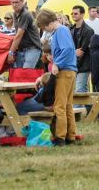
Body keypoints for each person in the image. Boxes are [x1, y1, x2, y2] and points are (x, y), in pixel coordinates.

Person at [35, 9, 78, 145]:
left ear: (47, 23)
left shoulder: (60, 31)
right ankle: (70, 136)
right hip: (69, 71)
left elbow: (67, 49)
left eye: (43, 27)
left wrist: (57, 63)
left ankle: (60, 137)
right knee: (67, 106)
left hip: (64, 72)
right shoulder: (62, 30)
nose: (44, 30)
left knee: (59, 106)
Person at [8, 0, 43, 69]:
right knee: (19, 74)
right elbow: (17, 34)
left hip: (32, 48)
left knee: (25, 73)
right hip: (22, 49)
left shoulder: (25, 14)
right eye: (12, 2)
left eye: (16, 2)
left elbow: (19, 35)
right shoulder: (15, 14)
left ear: (22, 1)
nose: (14, 5)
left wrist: (11, 52)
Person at [69, 5, 95, 93]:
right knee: (80, 90)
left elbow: (81, 52)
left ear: (82, 14)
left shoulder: (88, 31)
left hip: (84, 64)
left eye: (76, 13)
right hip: (72, 64)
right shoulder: (71, 29)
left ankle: (78, 107)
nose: (73, 15)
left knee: (79, 89)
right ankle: (89, 107)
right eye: (72, 13)